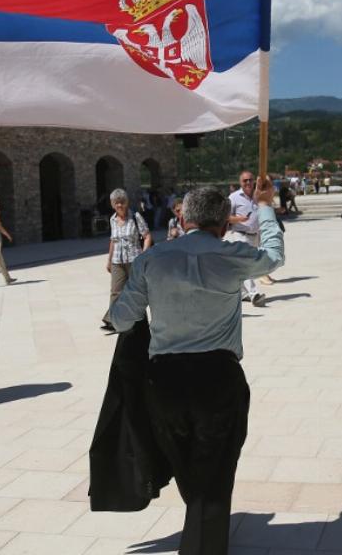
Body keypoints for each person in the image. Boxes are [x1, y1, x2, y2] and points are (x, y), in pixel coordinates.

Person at [108, 181, 284, 555]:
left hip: (165, 381)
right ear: (223, 223)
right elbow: (272, 256)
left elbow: (121, 318)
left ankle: (202, 531)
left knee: (189, 468)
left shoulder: (151, 260)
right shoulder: (232, 255)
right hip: (217, 378)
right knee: (215, 473)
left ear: (183, 218)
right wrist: (266, 207)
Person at [101, 188, 152, 331]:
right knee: (115, 291)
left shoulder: (135, 217)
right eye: (116, 203)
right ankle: (113, 321)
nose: (119, 205)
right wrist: (109, 260)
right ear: (112, 204)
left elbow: (147, 236)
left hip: (134, 261)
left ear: (127, 202)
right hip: (118, 261)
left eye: (122, 202)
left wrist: (144, 255)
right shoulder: (112, 219)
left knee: (135, 291)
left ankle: (139, 322)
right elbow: (113, 240)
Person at [227, 171, 267, 306]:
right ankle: (254, 294)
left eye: (250, 180)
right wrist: (238, 219)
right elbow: (225, 217)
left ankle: (243, 293)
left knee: (246, 266)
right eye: (245, 181)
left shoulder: (257, 196)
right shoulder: (234, 197)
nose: (248, 183)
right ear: (240, 182)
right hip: (240, 235)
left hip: (255, 235)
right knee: (245, 264)